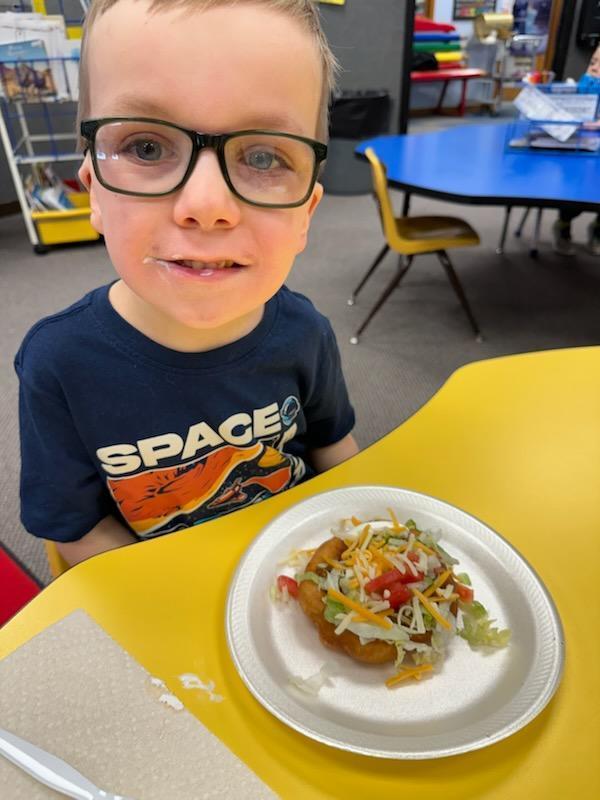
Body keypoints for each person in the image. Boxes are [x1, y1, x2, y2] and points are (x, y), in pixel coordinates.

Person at [14, 0, 359, 567]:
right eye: (146, 147)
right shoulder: (59, 364)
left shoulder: (305, 332)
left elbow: (334, 451)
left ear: (306, 216)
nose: (206, 206)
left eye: (266, 157)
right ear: (94, 194)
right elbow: (76, 529)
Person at [552, 44, 600, 257]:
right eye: (593, 62)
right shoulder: (588, 82)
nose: (595, 68)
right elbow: (575, 108)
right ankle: (563, 225)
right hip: (582, 151)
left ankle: (597, 230)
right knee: (574, 197)